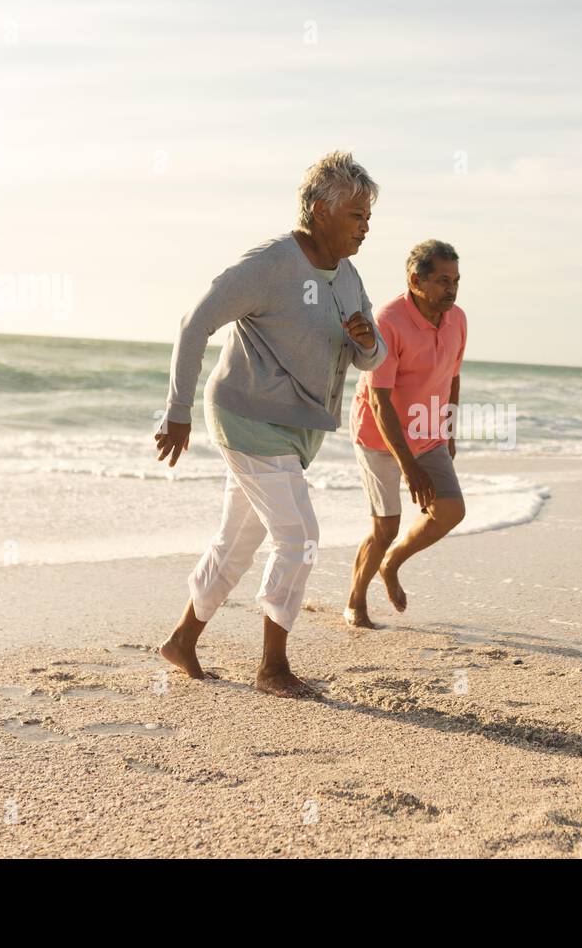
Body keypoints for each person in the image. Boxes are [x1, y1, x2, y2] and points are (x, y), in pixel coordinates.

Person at [153, 151, 387, 697]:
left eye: (368, 217)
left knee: (237, 540)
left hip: (299, 428)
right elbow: (195, 323)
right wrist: (177, 410)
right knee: (299, 536)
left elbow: (370, 360)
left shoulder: (348, 278)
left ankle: (182, 640)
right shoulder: (271, 264)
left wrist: (365, 340)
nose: (365, 227)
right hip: (247, 415)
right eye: (356, 215)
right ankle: (273, 667)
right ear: (317, 209)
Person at [344, 240, 467, 628]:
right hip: (378, 432)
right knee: (386, 526)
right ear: (416, 281)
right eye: (443, 280)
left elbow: (453, 377)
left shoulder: (458, 318)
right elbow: (379, 401)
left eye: (456, 280)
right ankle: (355, 601)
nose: (452, 288)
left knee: (449, 510)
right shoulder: (389, 321)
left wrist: (447, 429)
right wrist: (409, 467)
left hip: (427, 429)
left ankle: (391, 563)